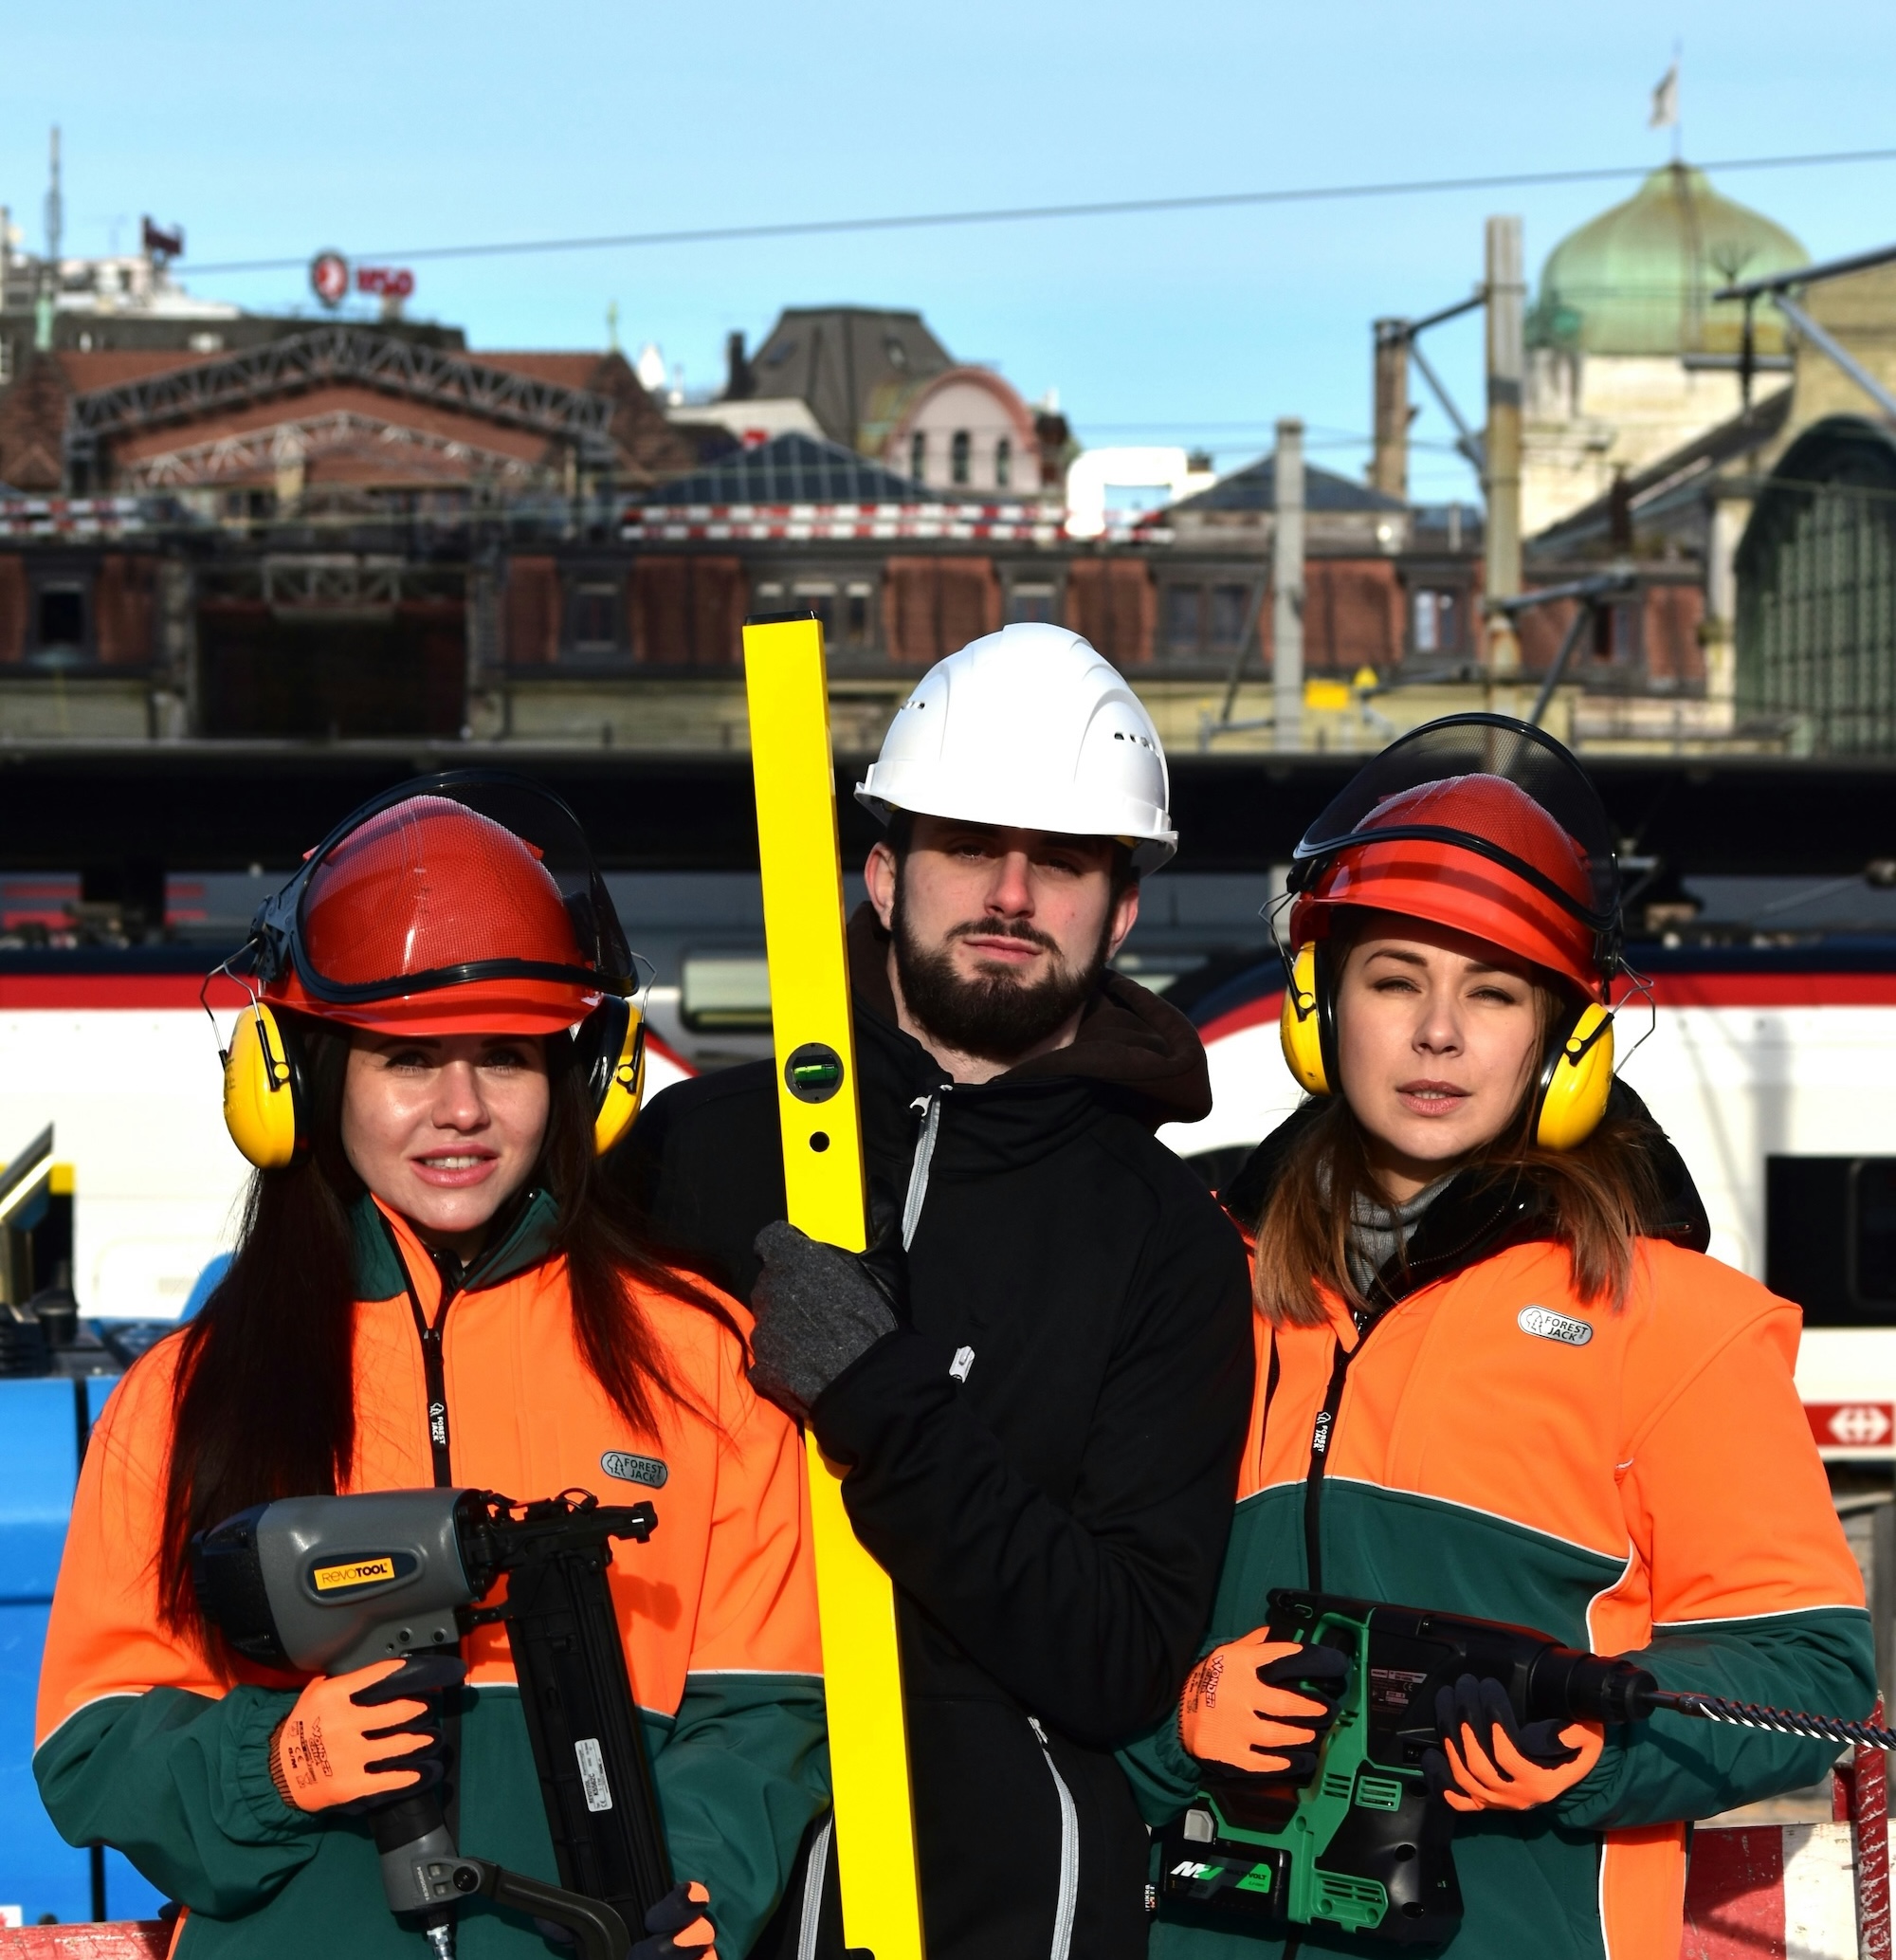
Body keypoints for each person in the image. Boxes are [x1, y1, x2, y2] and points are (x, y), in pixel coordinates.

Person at [1120, 714, 1876, 1960]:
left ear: (1559, 1041)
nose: (1439, 1032)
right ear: (1319, 1008)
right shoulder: (1198, 1293)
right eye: (1394, 977)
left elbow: (1811, 1670)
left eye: (1493, 990)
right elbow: (1090, 1642)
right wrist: (1181, 1720)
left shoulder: (1673, 1320)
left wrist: (1595, 1747)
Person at [35, 778, 828, 1960]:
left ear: (580, 1079)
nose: (461, 1109)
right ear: (303, 1079)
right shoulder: (185, 1397)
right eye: (407, 1061)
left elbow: (769, 1709)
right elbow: (93, 1743)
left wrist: (689, 1891)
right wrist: (277, 1763)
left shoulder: (701, 1362)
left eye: (506, 1058)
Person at [623, 624, 1254, 1960]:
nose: (1013, 892)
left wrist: (879, 1398)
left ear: (1123, 906)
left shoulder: (1168, 1241)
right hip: (687, 1883)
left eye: (1066, 860)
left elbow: (1119, 1651)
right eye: (971, 845)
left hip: (1004, 1903)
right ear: (883, 869)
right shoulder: (700, 1152)